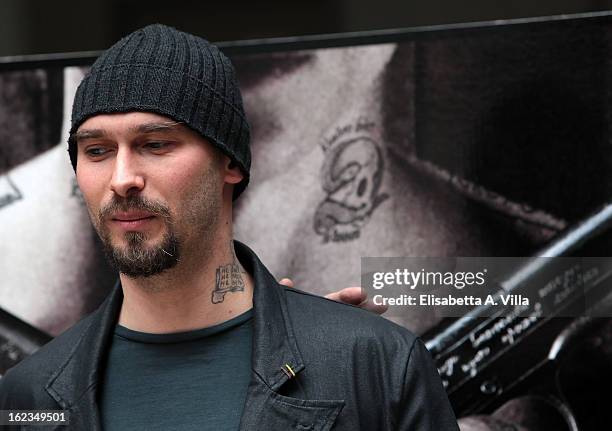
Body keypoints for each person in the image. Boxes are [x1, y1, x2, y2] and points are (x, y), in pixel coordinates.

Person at [0, 24, 458, 430]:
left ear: (230, 163)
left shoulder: (373, 365)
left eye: (156, 144)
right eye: (97, 151)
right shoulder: (29, 397)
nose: (122, 179)